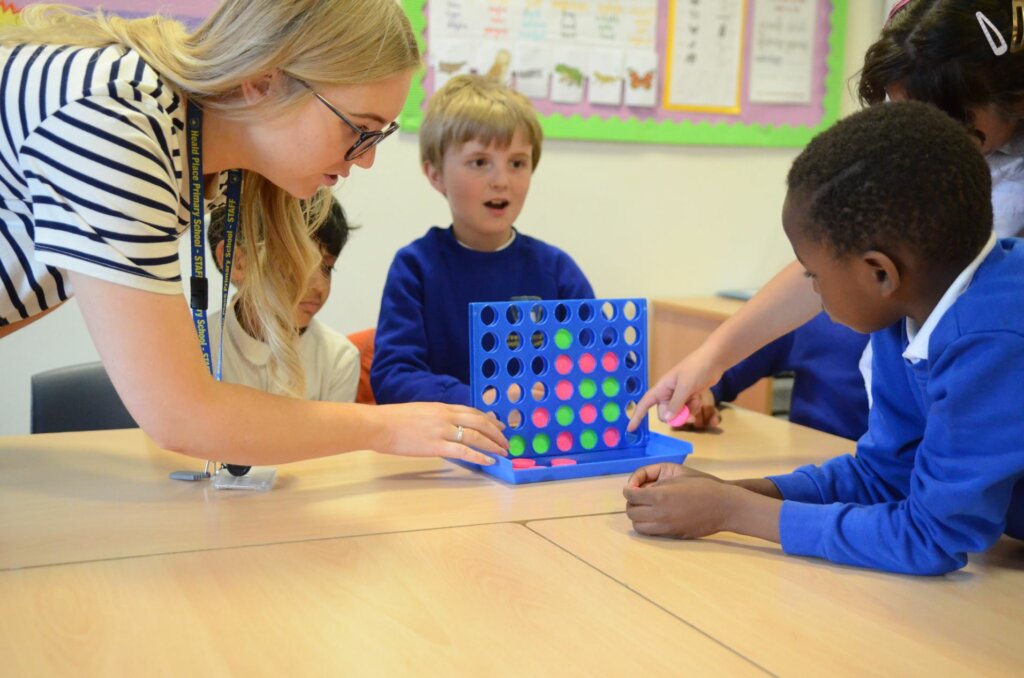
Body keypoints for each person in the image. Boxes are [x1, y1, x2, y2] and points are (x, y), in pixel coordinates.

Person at [0, 2, 507, 467]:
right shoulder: (119, 119)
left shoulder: (188, 151)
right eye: (357, 128)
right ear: (264, 80)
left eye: (378, 136)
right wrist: (386, 427)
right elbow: (180, 415)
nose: (367, 158)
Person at [625, 102, 1024, 575]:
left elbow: (932, 537)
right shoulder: (908, 307)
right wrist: (730, 493)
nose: (809, 288)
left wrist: (732, 512)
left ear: (879, 272)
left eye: (813, 273)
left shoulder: (994, 333)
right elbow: (884, 477)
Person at [629, 0, 1024, 431]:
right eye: (897, 108)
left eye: (932, 118)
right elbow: (825, 263)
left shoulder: (992, 310)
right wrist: (709, 359)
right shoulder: (890, 321)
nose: (913, 131)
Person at [371, 74, 594, 406]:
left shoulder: (556, 270)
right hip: (449, 446)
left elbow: (605, 363)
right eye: (479, 163)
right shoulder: (415, 268)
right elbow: (394, 377)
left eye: (517, 163)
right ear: (435, 175)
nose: (501, 181)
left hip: (541, 445)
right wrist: (485, 399)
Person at [207, 197, 359, 403]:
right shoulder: (194, 347)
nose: (320, 287)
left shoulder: (339, 358)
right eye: (300, 263)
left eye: (327, 268)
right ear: (236, 261)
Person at [698, 312, 869, 440]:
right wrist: (705, 394)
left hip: (872, 475)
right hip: (810, 468)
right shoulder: (811, 312)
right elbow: (728, 370)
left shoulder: (890, 336)